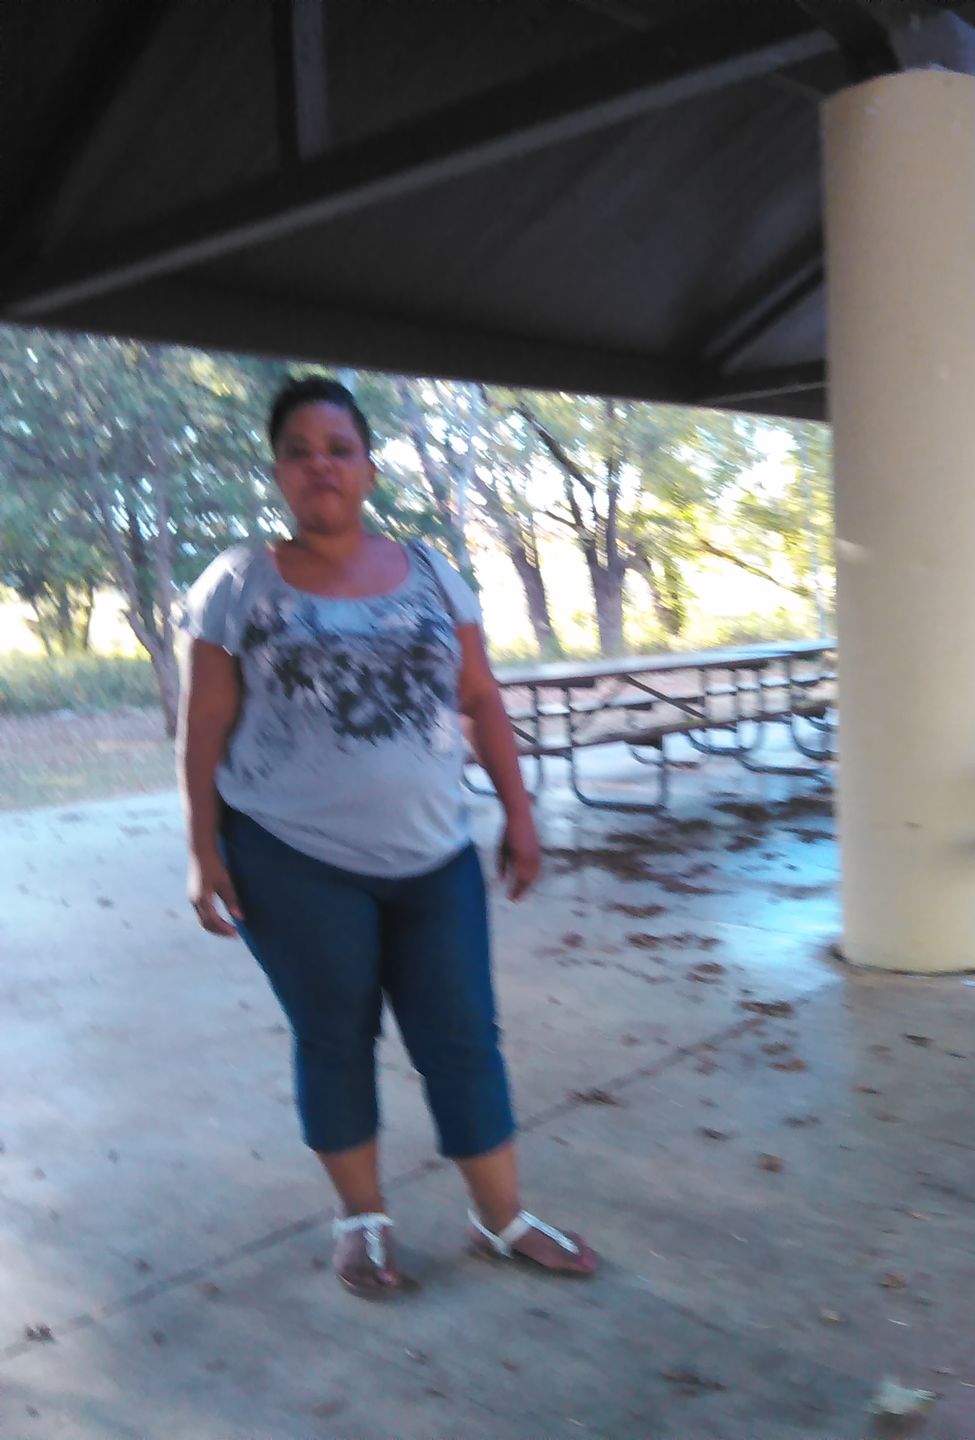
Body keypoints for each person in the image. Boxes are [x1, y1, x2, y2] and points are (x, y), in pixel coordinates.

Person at [177, 375, 596, 1297]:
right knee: (335, 1036)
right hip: (291, 859)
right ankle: (362, 1221)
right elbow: (202, 725)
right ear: (278, 472)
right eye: (299, 451)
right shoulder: (239, 582)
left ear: (369, 467)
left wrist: (521, 813)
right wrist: (203, 850)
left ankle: (501, 1218)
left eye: (339, 449)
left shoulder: (434, 571)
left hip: (435, 855)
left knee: (464, 1037)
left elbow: (479, 697)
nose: (320, 465)